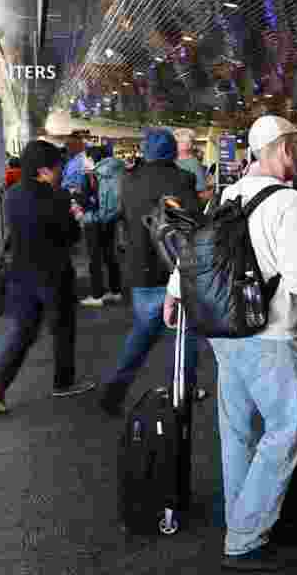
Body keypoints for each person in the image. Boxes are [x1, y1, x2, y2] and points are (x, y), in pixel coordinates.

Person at [164, 115, 297, 571]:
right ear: (282, 149)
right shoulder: (289, 202)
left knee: (236, 432)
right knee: (283, 433)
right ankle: (245, 536)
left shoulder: (227, 192)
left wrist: (173, 292)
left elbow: (197, 250)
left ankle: (240, 517)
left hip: (224, 332)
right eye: (295, 147)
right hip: (270, 336)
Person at [0, 140, 91, 414]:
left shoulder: (13, 194)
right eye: (57, 167)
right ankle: (63, 382)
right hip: (54, 274)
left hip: (21, 273)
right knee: (63, 329)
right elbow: (71, 237)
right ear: (43, 170)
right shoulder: (58, 198)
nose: (61, 171)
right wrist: (76, 217)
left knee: (23, 331)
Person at [98, 128, 200, 417]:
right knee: (185, 336)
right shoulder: (184, 179)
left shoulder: (128, 180)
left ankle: (114, 391)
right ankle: (181, 397)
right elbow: (192, 225)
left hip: (141, 271)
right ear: (172, 151)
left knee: (142, 334)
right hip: (177, 272)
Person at [79, 146, 125, 307]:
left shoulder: (93, 174)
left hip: (93, 220)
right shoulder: (115, 170)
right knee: (110, 255)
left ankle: (97, 295)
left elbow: (88, 200)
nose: (83, 161)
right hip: (110, 218)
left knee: (94, 259)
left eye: (85, 158)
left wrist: (77, 198)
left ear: (91, 159)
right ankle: (115, 290)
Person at [174, 128, 209, 206]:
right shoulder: (170, 160)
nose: (186, 144)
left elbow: (202, 192)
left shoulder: (194, 164)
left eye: (188, 141)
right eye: (182, 141)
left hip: (185, 207)